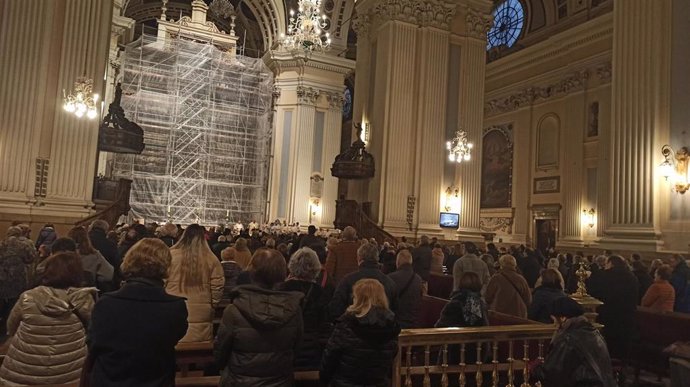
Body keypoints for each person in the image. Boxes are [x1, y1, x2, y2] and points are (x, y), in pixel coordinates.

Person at [86, 238, 188, 386]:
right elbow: (173, 339)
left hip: (111, 379)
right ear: (166, 265)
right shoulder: (175, 307)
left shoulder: (106, 303)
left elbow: (94, 344)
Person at [0, 252, 97, 385]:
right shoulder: (84, 299)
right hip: (68, 371)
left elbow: (11, 327)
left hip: (24, 371)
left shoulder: (29, 297)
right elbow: (93, 331)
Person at [214, 249, 304, 387]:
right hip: (280, 381)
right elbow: (296, 348)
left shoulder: (234, 310)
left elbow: (221, 353)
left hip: (240, 381)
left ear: (252, 272)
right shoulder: (293, 310)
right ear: (282, 273)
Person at [320, 279, 401, 387]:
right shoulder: (390, 326)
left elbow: (330, 358)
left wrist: (324, 380)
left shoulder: (346, 324)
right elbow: (392, 356)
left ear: (357, 298)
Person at [530, 297, 618, 387]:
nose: (554, 325)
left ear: (562, 318)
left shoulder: (568, 340)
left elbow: (552, 374)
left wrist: (535, 368)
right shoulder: (594, 333)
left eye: (554, 320)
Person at [166, 224, 224, 342]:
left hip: (173, 305)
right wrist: (213, 304)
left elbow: (162, 279)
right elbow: (218, 286)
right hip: (202, 309)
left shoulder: (170, 255)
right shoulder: (211, 258)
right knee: (199, 342)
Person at [280, 247, 330, 371]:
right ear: (316, 268)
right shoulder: (320, 292)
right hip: (312, 350)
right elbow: (324, 323)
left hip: (285, 347)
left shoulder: (282, 289)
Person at [329, 242, 398, 320]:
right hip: (383, 328)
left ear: (359, 258)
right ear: (377, 258)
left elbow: (335, 308)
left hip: (353, 328)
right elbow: (395, 310)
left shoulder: (347, 280)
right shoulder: (389, 282)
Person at [588, 255, 638, 360]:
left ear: (611, 264)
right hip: (627, 318)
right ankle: (621, 370)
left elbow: (595, 292)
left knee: (607, 348)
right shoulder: (632, 277)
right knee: (622, 349)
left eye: (606, 264)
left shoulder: (605, 276)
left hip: (608, 316)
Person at [435, 272, 488, 369]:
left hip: (455, 354)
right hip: (477, 353)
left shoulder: (455, 304)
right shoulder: (480, 305)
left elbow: (440, 327)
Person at [0, 226, 37, 338]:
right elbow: (30, 258)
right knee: (14, 303)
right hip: (18, 277)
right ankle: (9, 328)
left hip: (2, 276)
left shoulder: (2, 244)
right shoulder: (24, 244)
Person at [68, 226, 114, 291]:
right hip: (87, 291)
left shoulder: (63, 254)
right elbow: (108, 275)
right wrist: (97, 278)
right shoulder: (95, 255)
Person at [387, 249, 422, 329]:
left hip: (395, 324)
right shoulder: (418, 279)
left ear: (397, 262)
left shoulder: (391, 278)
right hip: (413, 323)